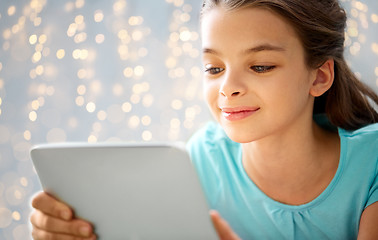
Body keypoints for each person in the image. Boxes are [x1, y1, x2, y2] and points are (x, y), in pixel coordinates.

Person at [30, 0, 378, 239]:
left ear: (319, 77)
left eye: (260, 66)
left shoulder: (372, 162)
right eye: (214, 68)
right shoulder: (199, 163)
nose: (228, 88)